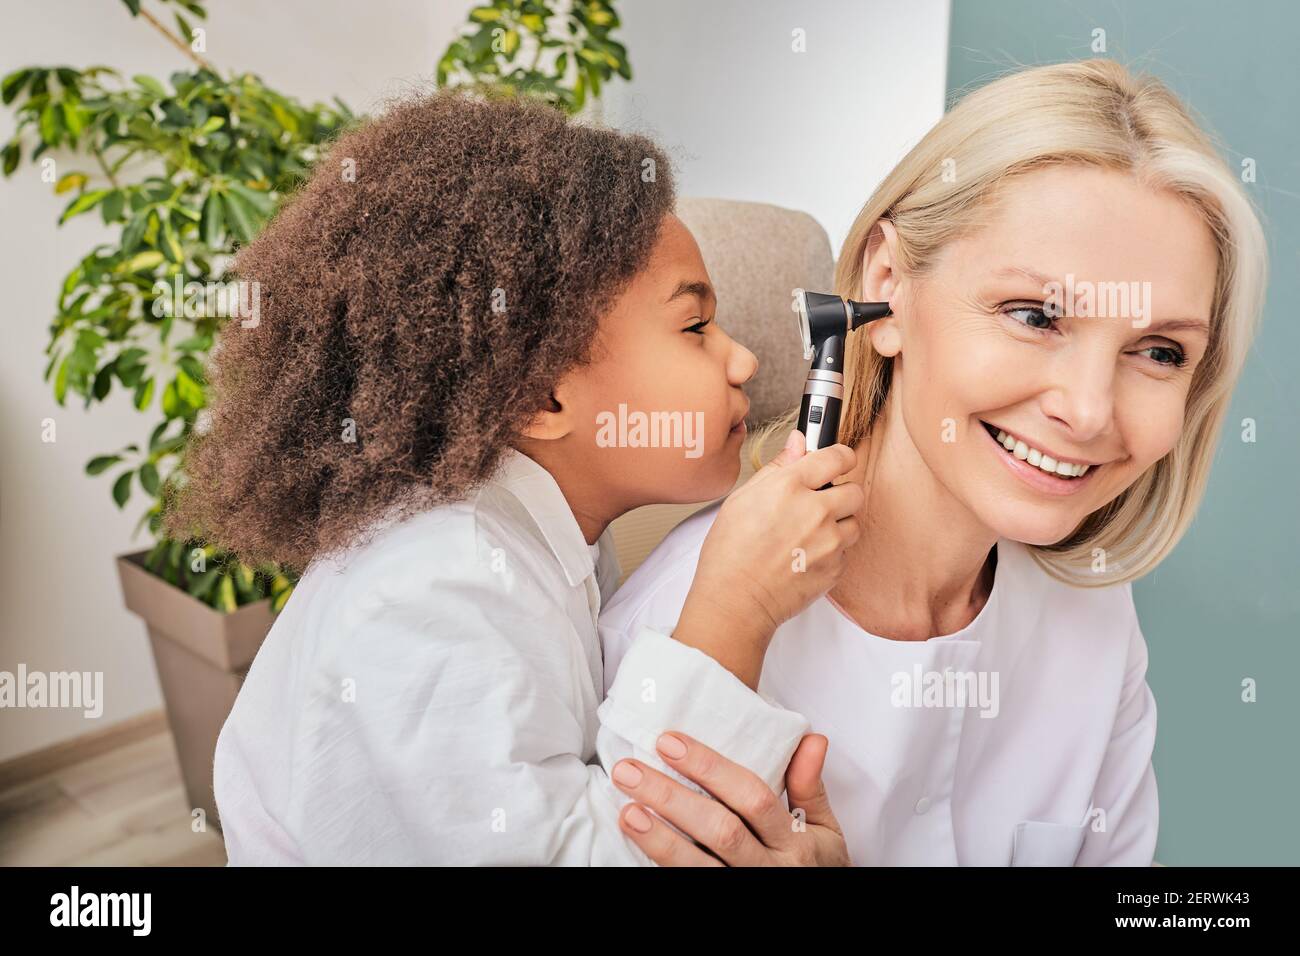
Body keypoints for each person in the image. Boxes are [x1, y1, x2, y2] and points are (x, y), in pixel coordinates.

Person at [601, 58, 1266, 866]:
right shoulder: (687, 641)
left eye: (1159, 351)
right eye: (1035, 315)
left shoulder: (1094, 622)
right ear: (887, 288)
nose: (1089, 410)